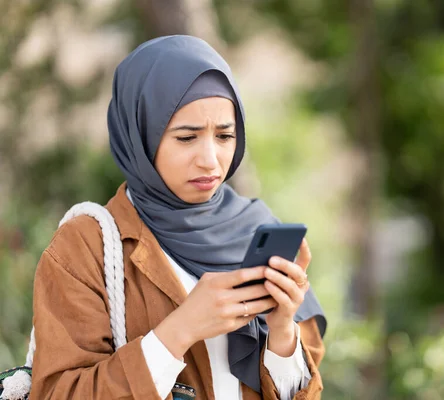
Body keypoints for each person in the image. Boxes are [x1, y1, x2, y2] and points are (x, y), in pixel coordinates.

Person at [28, 35, 326, 400]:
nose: (211, 159)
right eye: (187, 137)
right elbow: (59, 393)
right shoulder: (86, 248)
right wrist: (179, 330)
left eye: (225, 135)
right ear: (139, 137)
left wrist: (281, 330)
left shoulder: (256, 228)